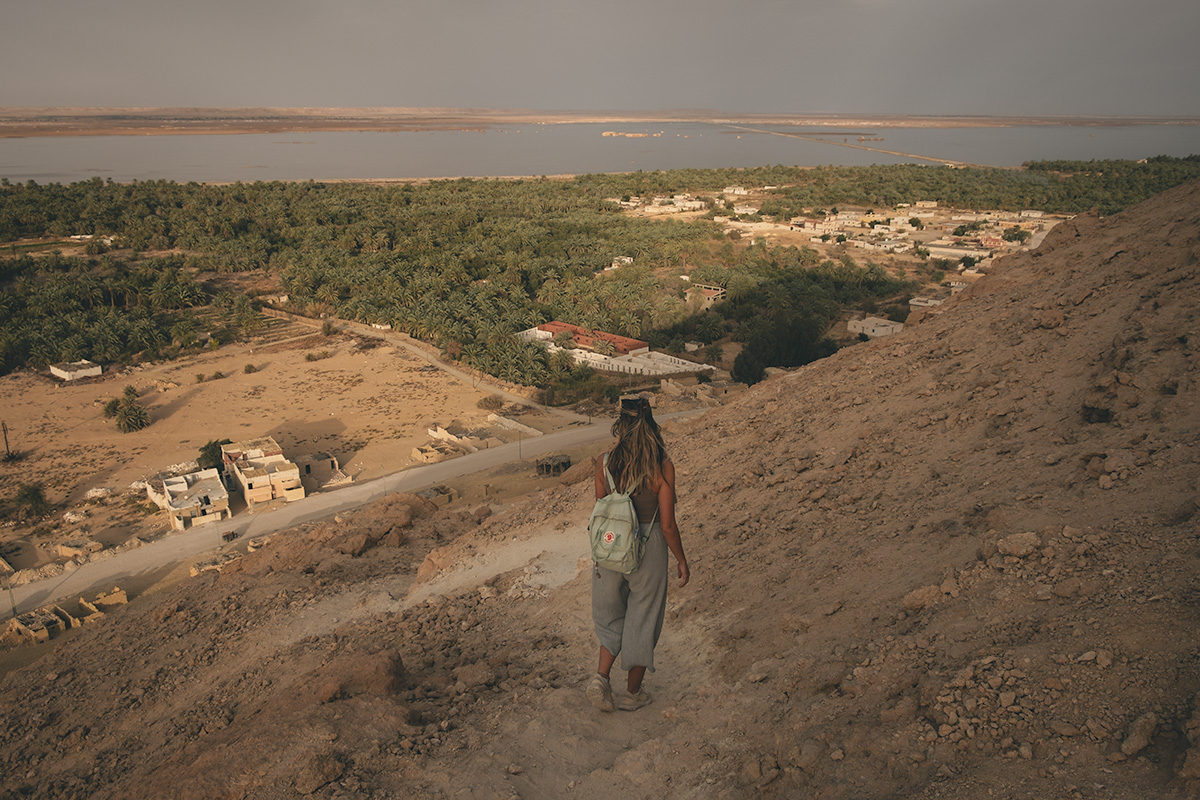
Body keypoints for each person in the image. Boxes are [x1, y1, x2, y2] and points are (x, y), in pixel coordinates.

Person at [586, 397, 689, 712]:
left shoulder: (605, 462)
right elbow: (668, 524)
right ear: (651, 423)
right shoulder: (662, 466)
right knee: (643, 616)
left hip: (611, 545)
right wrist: (681, 560)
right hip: (649, 545)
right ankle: (633, 693)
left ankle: (601, 680)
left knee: (612, 613)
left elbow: (602, 505)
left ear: (622, 424)